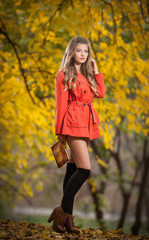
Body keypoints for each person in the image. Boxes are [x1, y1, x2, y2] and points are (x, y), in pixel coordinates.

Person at [48, 36, 105, 234]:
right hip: (72, 124)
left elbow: (100, 93)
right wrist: (60, 132)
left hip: (87, 123)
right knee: (84, 170)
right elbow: (60, 105)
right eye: (79, 50)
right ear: (71, 52)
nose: (82, 54)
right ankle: (60, 212)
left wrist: (96, 72)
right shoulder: (63, 75)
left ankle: (68, 220)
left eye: (85, 51)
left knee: (72, 169)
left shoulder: (88, 75)